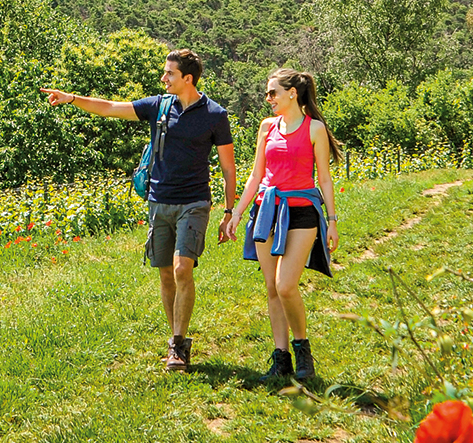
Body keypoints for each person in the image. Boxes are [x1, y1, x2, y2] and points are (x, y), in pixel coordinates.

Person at [42, 48, 236, 372]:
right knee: (165, 274)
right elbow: (109, 108)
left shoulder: (215, 115)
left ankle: (178, 344)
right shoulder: (158, 106)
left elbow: (229, 169)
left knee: (181, 269)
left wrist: (229, 212)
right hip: (159, 201)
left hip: (195, 202)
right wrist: (71, 98)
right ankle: (175, 338)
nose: (163, 78)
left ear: (187, 78)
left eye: (169, 73)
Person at [220, 68, 339, 384]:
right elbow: (256, 175)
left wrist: (332, 221)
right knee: (272, 287)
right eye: (267, 93)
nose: (268, 98)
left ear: (292, 93)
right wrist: (235, 213)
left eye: (273, 92)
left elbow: (324, 179)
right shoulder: (266, 128)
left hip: (302, 213)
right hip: (267, 209)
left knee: (286, 285)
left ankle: (302, 349)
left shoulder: (315, 129)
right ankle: (281, 358)